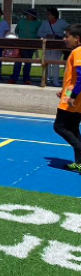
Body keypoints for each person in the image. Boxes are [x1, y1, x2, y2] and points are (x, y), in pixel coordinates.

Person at [53, 23, 81, 172]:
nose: (65, 39)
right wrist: (64, 90)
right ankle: (79, 162)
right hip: (75, 95)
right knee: (73, 129)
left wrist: (71, 96)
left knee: (59, 126)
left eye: (67, 36)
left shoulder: (78, 52)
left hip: (74, 97)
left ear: (77, 38)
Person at [10, 9, 42, 85]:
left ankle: (26, 79)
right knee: (17, 62)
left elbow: (39, 34)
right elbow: (16, 30)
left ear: (33, 16)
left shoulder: (38, 23)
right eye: (27, 14)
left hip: (30, 45)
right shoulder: (21, 21)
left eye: (29, 14)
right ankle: (14, 78)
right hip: (20, 44)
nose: (27, 16)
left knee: (28, 63)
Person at [39, 7, 70, 86]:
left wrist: (61, 36)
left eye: (49, 14)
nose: (47, 16)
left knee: (56, 62)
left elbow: (70, 29)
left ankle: (55, 80)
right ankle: (48, 78)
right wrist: (46, 35)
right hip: (47, 45)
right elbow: (39, 33)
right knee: (47, 61)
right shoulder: (45, 23)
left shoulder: (61, 22)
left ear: (54, 15)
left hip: (57, 45)